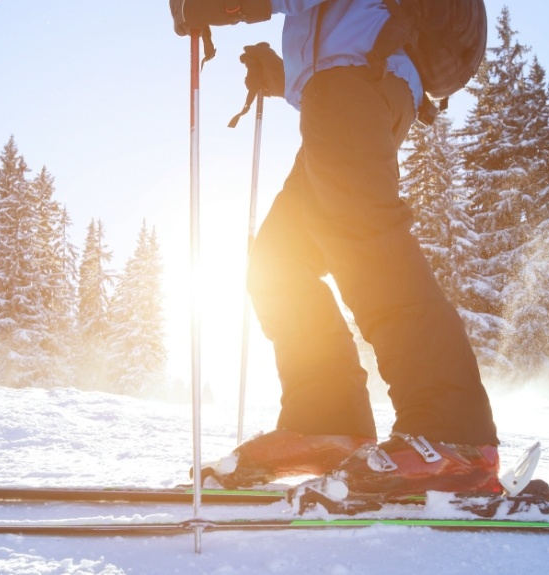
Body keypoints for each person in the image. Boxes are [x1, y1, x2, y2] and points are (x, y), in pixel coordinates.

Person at [171, 0, 502, 503]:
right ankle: (326, 423)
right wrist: (286, 76)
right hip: (350, 85)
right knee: (278, 262)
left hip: (357, 83)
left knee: (364, 239)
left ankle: (452, 434)